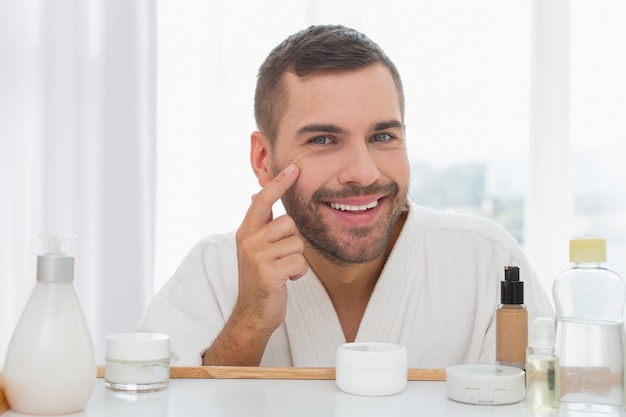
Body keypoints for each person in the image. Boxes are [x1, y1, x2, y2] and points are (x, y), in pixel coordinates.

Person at [136, 24, 553, 368]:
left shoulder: (487, 262)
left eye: (383, 136)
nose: (363, 172)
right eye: (323, 139)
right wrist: (247, 324)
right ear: (264, 159)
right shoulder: (213, 272)